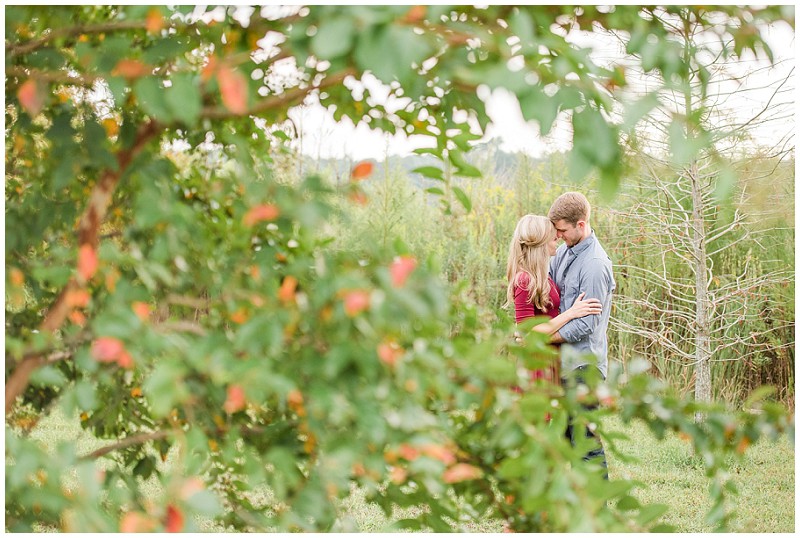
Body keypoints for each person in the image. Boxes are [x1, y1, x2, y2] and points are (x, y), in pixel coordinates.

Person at [547, 191, 615, 478]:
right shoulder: (563, 252)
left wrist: (544, 337)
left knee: (585, 443)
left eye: (562, 230)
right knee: (562, 442)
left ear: (581, 224)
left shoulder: (595, 265)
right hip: (562, 365)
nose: (559, 236)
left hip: (584, 366)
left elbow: (586, 325)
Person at [505, 214, 602, 383]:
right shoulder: (524, 280)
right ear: (541, 242)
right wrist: (571, 313)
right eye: (553, 236)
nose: (558, 237)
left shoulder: (543, 277)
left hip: (551, 358)